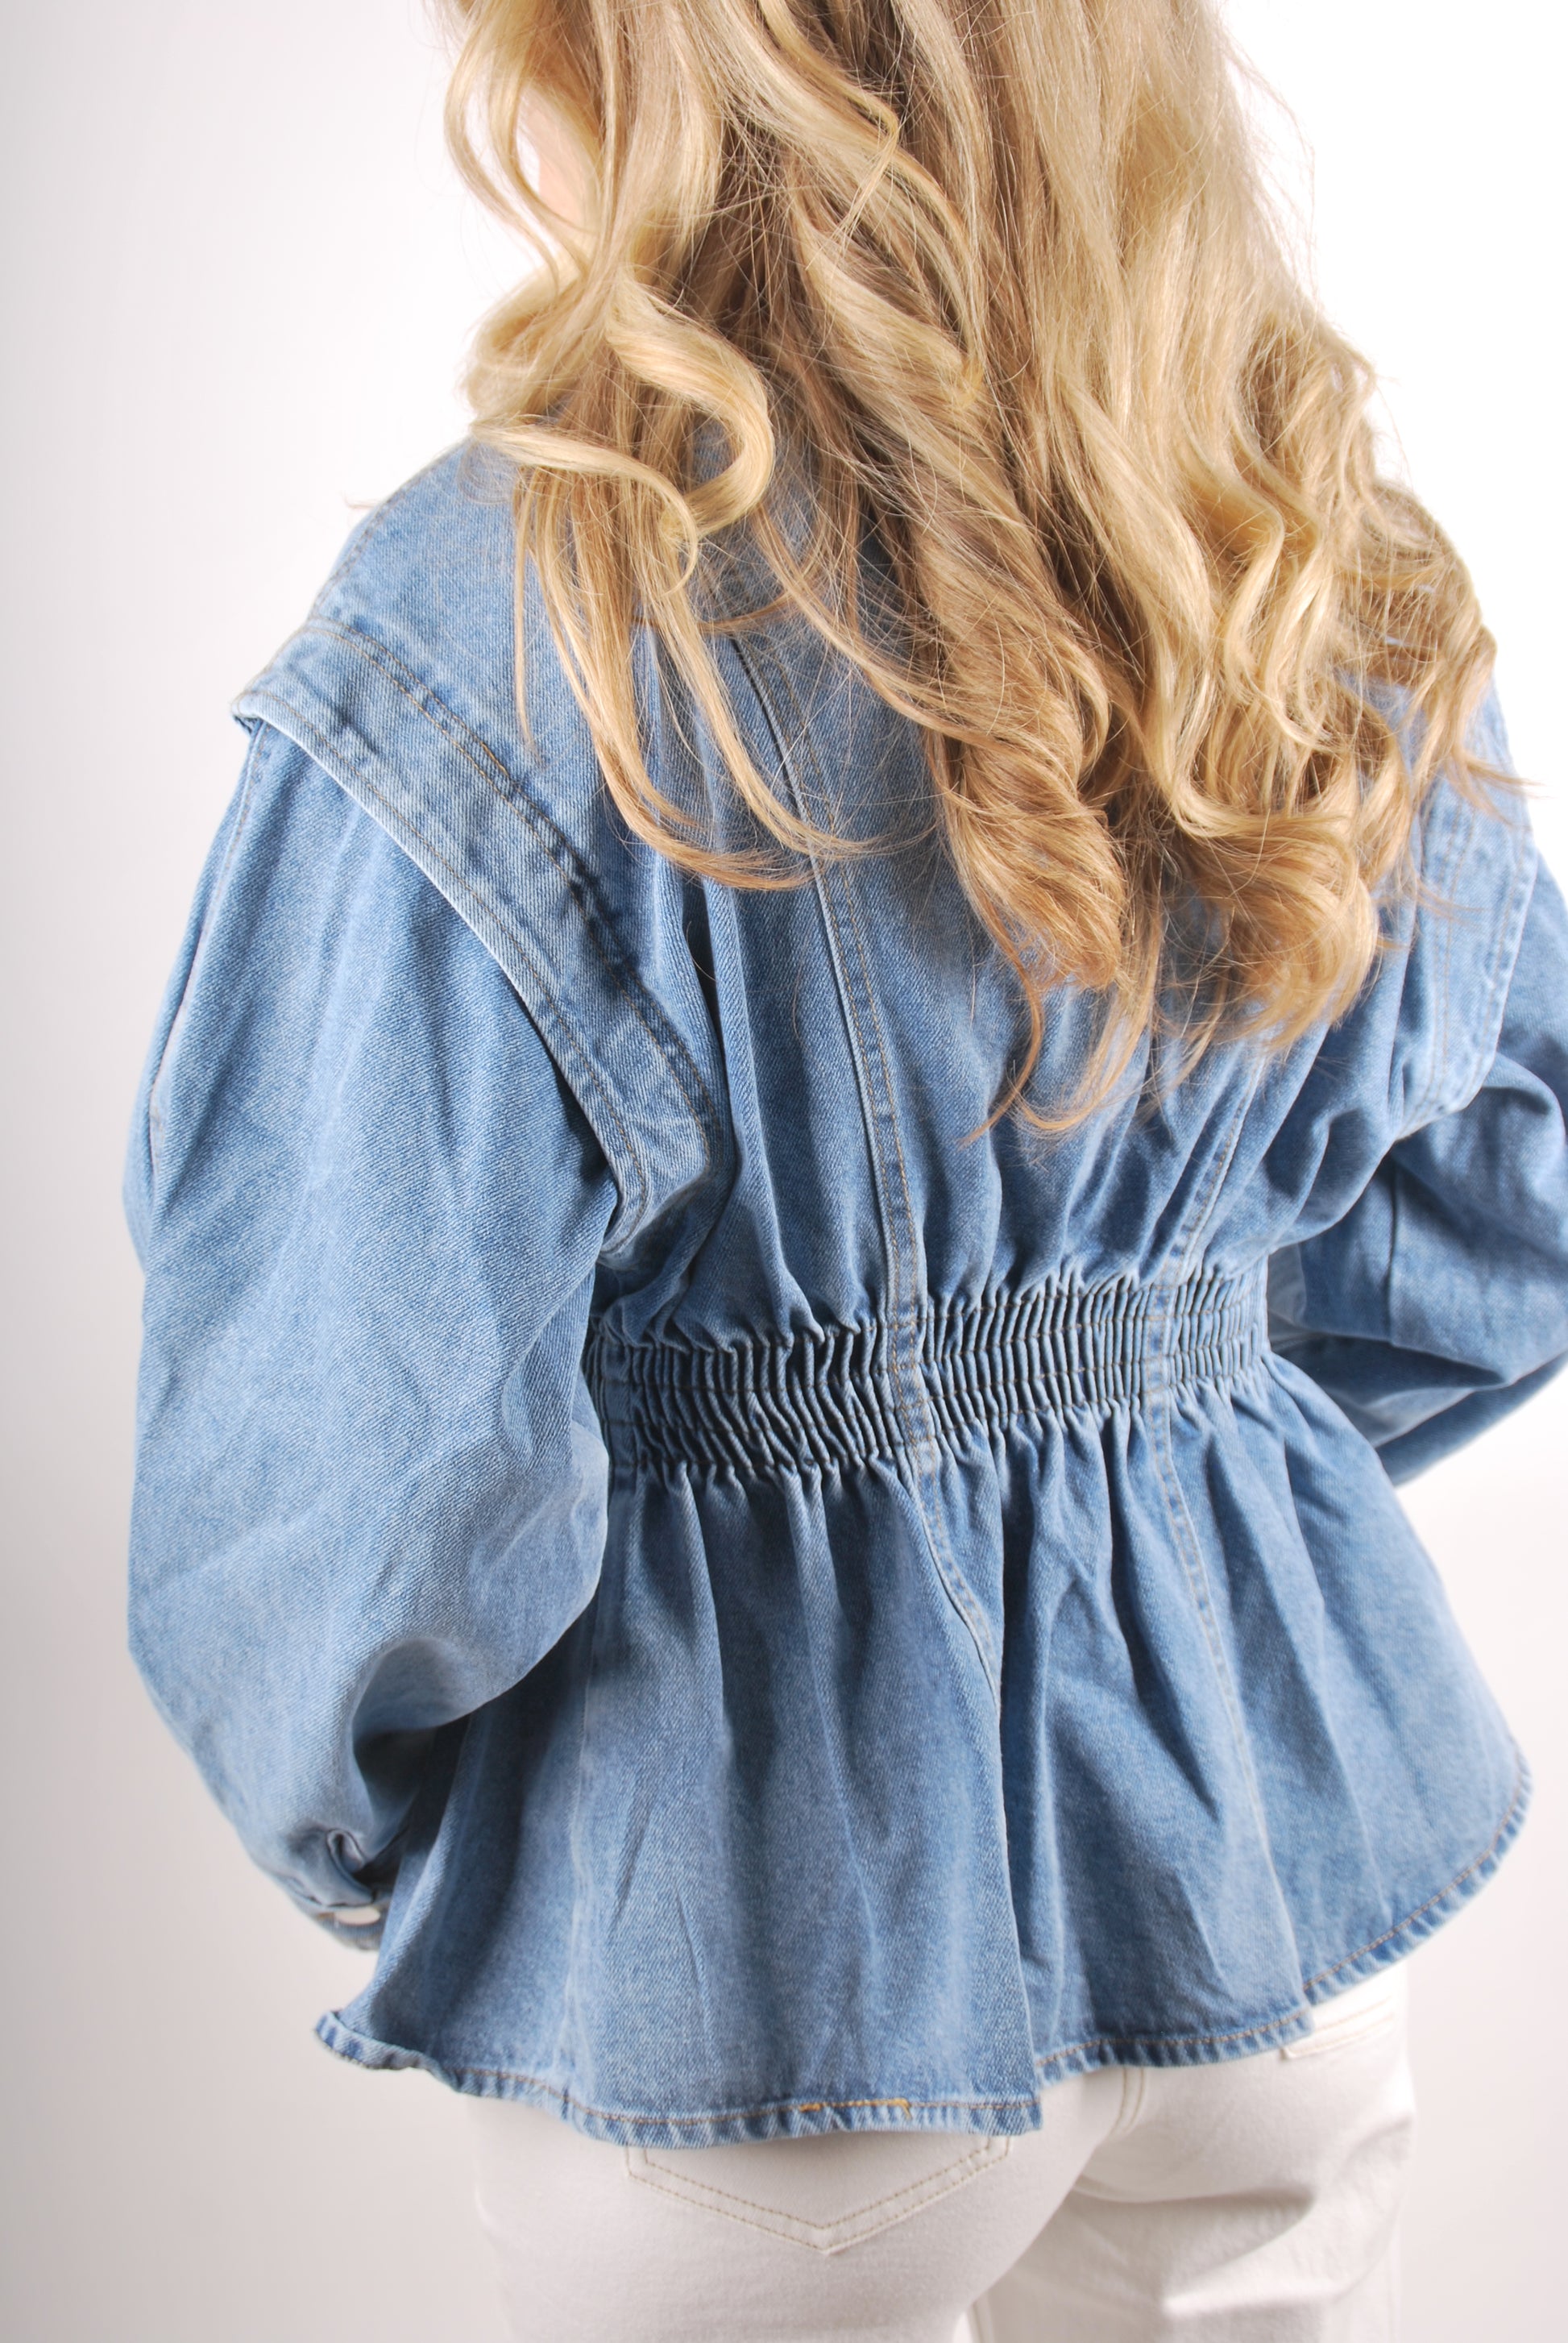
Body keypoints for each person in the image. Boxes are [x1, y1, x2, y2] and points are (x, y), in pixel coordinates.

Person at [124, 2, 1568, 2337]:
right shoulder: (1301, 541)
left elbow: (340, 1456)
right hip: (1264, 1879)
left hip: (745, 1941)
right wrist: (1170, 1475)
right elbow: (1502, 1214)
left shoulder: (509, 604)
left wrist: (374, 1823)